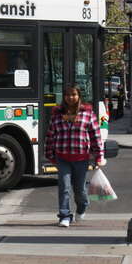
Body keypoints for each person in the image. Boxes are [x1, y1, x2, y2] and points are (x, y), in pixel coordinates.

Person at [45, 84, 105, 228]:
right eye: (67, 95)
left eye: (74, 95)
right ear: (64, 97)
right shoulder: (57, 114)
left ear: (79, 96)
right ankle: (64, 216)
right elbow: (51, 135)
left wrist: (99, 156)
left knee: (80, 190)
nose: (70, 98)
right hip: (62, 157)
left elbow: (95, 136)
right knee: (64, 187)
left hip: (81, 158)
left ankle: (82, 207)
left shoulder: (87, 113)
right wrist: (50, 154)